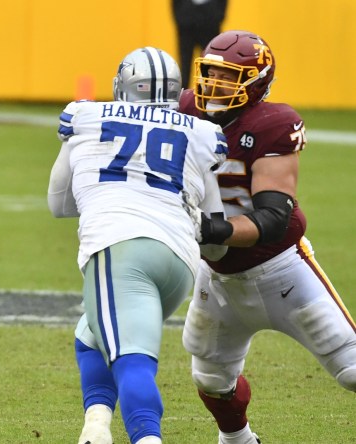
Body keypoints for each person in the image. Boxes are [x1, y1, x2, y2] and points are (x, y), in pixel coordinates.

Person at [179, 30, 356, 444]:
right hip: (218, 277)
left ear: (255, 83)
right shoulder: (185, 109)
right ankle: (238, 441)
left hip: (282, 271)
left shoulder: (273, 124)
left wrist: (209, 229)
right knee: (211, 377)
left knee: (351, 370)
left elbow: (273, 218)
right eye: (210, 73)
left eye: (228, 76)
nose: (213, 85)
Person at [48, 47, 229, 444]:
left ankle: (147, 438)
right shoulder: (201, 132)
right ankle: (95, 428)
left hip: (120, 248)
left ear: (123, 87)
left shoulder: (86, 116)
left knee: (133, 360)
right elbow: (216, 234)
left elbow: (59, 205)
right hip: (180, 261)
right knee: (91, 334)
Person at [172, 0, 228, 88]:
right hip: (186, 25)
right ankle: (182, 94)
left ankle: (209, 91)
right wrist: (180, 18)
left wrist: (218, 15)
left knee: (210, 63)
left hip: (210, 24)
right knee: (185, 64)